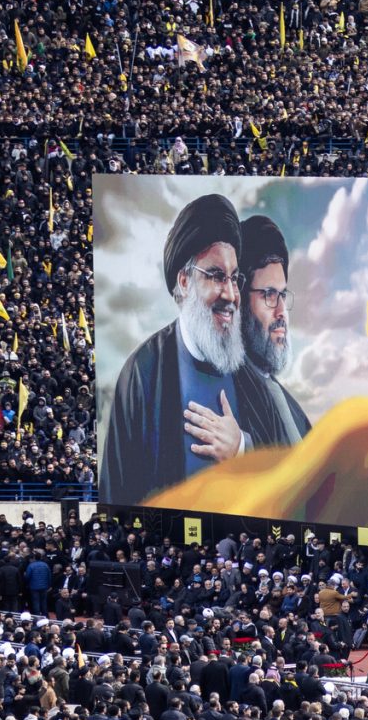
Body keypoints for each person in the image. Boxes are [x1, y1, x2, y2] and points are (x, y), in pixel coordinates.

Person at [99, 193, 302, 507]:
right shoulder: (142, 374)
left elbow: (289, 476)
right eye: (217, 276)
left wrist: (241, 448)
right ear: (184, 280)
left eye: (235, 278)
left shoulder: (254, 380)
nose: (230, 293)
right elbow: (118, 494)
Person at [236, 214, 313, 447]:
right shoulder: (222, 393)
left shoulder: (295, 412)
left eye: (282, 294)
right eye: (269, 294)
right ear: (238, 298)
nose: (281, 311)